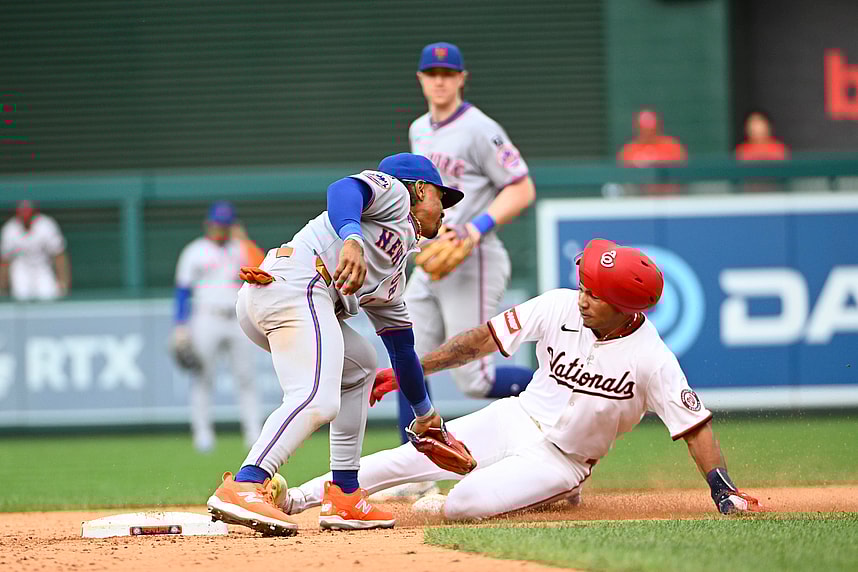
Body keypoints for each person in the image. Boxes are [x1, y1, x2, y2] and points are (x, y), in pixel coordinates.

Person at [280, 238, 761, 521]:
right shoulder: (557, 305)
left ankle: (554, 494)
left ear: (626, 309)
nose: (582, 298)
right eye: (584, 286)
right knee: (403, 460)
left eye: (595, 295)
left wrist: (723, 489)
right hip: (515, 417)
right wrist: (412, 367)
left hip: (563, 461)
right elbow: (480, 341)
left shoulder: (652, 359)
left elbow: (694, 427)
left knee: (460, 506)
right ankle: (297, 498)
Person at [206, 153, 466, 536]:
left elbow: (402, 351)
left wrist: (427, 417)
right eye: (440, 198)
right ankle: (247, 482)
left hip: (284, 296)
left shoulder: (394, 273)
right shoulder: (394, 194)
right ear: (421, 189)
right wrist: (353, 239)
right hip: (296, 284)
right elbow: (343, 189)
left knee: (360, 362)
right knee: (317, 397)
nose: (444, 210)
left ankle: (345, 495)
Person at [394, 41, 536, 469]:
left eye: (448, 74)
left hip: (475, 259)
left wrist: (476, 228)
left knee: (475, 380)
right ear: (421, 79)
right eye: (432, 74)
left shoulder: (479, 128)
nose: (440, 81)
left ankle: (563, 399)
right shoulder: (419, 129)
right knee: (408, 360)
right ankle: (415, 470)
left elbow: (521, 187)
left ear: (461, 78)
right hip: (435, 261)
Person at [172, 201, 266, 453]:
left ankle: (253, 434)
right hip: (206, 317)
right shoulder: (195, 251)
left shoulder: (241, 248)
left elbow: (263, 267)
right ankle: (202, 434)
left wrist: (244, 240)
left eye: (224, 225)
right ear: (208, 223)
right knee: (203, 377)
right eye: (216, 224)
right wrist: (180, 326)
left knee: (246, 377)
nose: (219, 229)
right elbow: (182, 291)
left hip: (238, 318)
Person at [0, 200, 71, 301]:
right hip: (21, 268)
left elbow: (59, 254)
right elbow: (5, 260)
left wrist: (63, 281)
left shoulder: (46, 226)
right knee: (21, 296)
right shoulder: (10, 230)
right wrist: (2, 286)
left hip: (42, 267)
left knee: (48, 295)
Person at [617, 109, 686, 195]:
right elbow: (623, 178)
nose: (648, 132)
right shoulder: (629, 150)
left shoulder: (672, 146)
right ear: (637, 128)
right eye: (644, 128)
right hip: (639, 198)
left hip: (669, 196)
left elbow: (683, 174)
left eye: (651, 128)